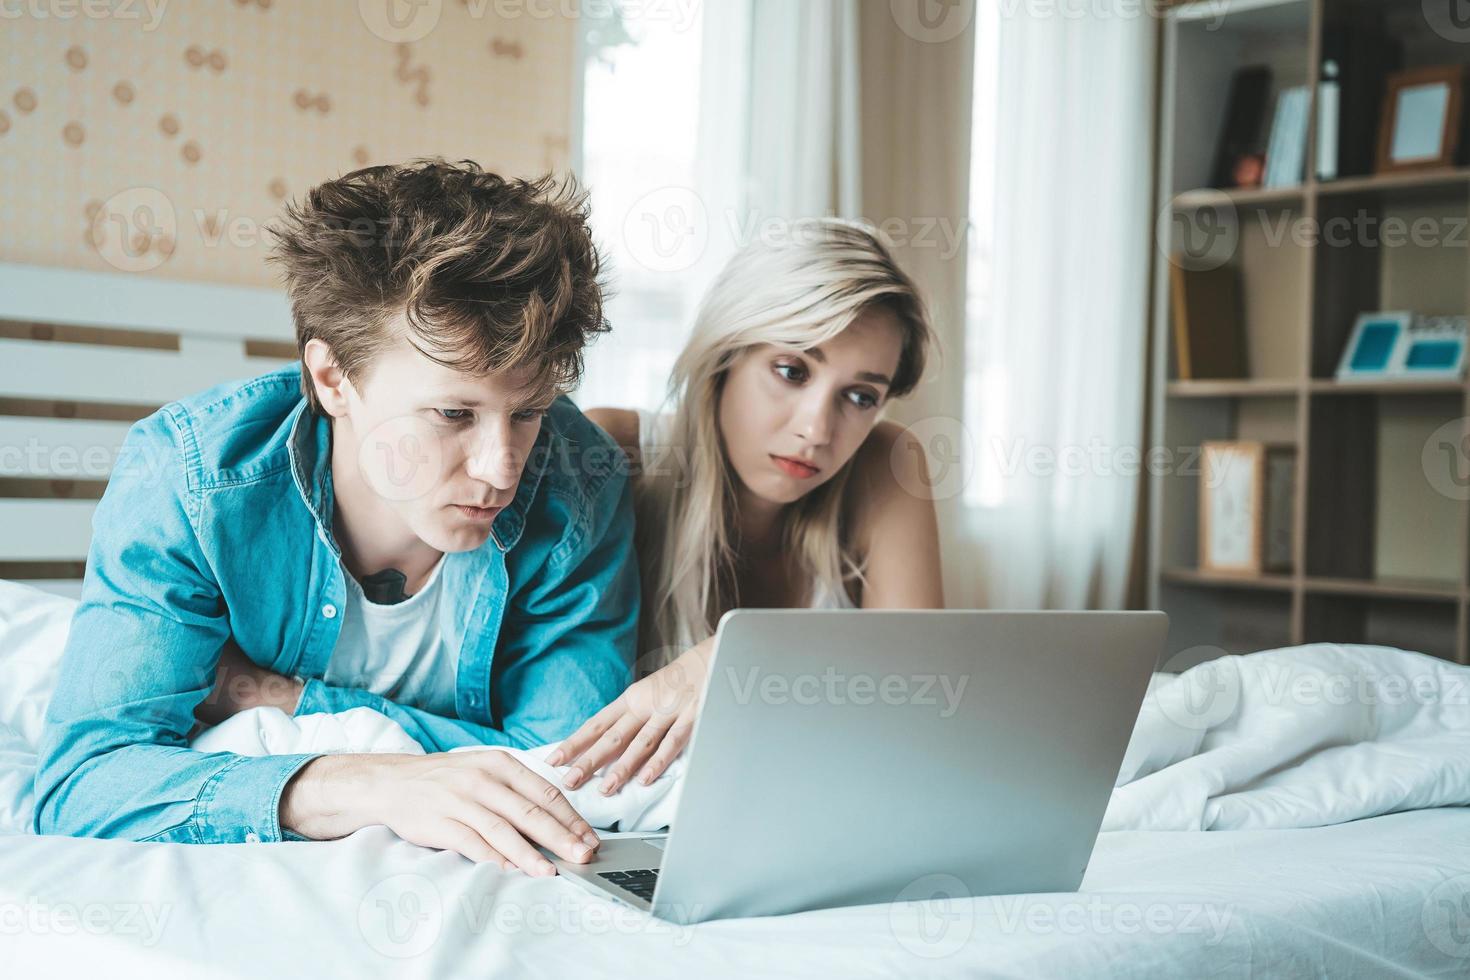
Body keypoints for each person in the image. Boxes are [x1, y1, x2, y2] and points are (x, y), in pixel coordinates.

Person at [32, 160, 638, 877]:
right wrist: (365, 783)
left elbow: (565, 775)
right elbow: (83, 784)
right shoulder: (192, 479)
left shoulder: (580, 479)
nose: (500, 468)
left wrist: (279, 699)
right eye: (453, 414)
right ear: (332, 379)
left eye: (529, 412)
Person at [552, 219, 944, 795]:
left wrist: (736, 661)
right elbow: (556, 720)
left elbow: (926, 694)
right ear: (724, 357)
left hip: (819, 806)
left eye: (860, 397)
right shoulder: (612, 451)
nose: (816, 429)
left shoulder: (886, 466)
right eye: (791, 371)